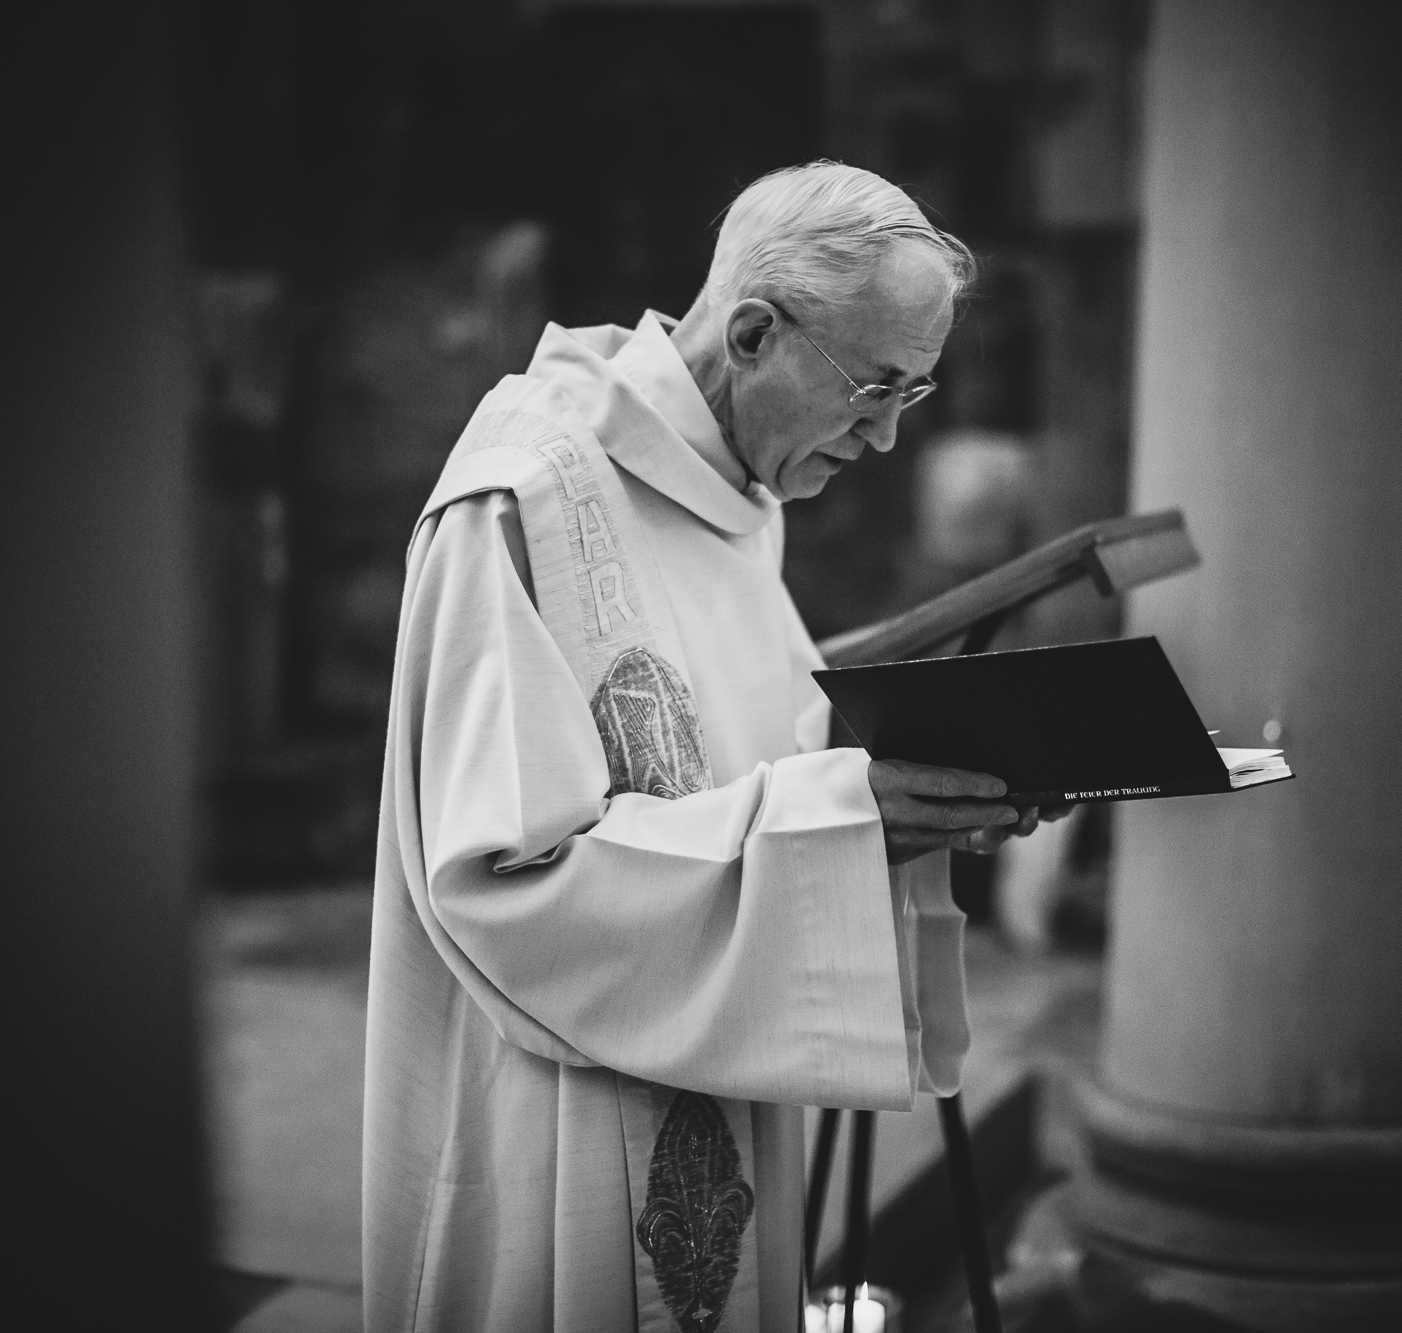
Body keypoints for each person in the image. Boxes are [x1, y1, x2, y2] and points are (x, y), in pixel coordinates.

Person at [364, 162, 1049, 1332]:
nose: (886, 436)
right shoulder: (524, 499)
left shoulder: (734, 488)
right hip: (562, 1128)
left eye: (914, 394)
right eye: (871, 387)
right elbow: (499, 877)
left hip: (722, 1082)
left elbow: (743, 741)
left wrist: (933, 787)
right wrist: (844, 815)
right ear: (750, 331)